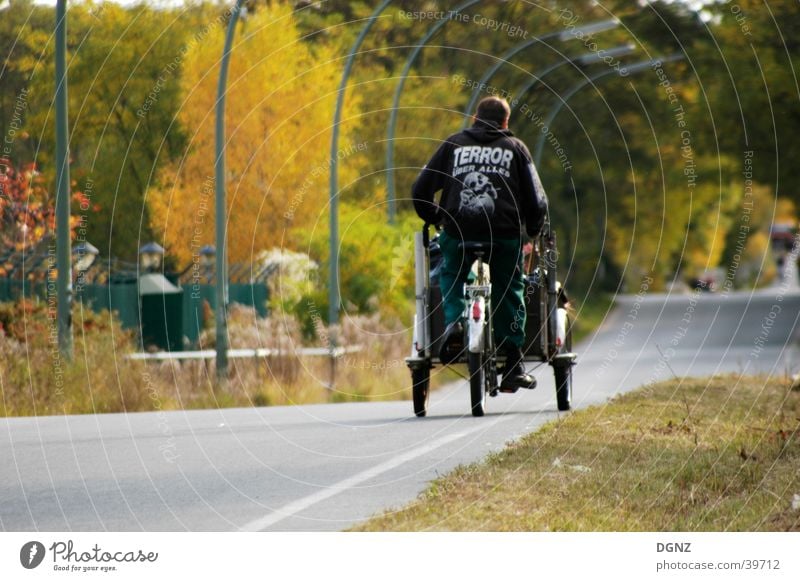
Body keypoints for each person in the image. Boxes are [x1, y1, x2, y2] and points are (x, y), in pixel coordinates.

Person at [411, 96, 548, 391]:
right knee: (509, 287)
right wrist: (533, 229)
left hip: (457, 232)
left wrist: (436, 216)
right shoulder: (516, 149)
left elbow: (420, 189)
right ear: (506, 122)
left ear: (474, 117)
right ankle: (512, 360)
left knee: (451, 273)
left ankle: (454, 324)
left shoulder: (453, 144)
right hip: (503, 235)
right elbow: (537, 200)